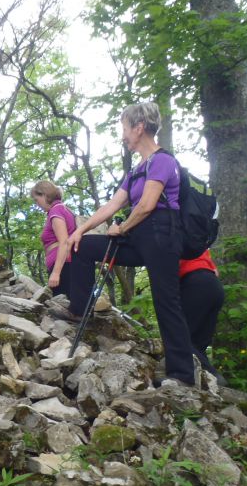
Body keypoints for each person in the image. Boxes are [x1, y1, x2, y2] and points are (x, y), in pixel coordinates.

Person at [66, 101, 196, 386]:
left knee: (166, 300)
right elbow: (113, 204)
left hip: (162, 234)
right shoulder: (137, 169)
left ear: (139, 128)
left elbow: (148, 204)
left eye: (125, 128)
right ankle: (78, 309)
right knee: (84, 248)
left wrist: (122, 228)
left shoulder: (162, 160)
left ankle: (182, 375)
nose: (123, 135)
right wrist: (81, 230)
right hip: (138, 235)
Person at [180, 249, 225, 384]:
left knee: (180, 336)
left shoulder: (171, 234)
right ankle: (207, 381)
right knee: (198, 345)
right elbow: (216, 271)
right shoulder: (198, 242)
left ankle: (212, 374)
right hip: (214, 285)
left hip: (194, 282)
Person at [31, 180, 76, 298]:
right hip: (63, 265)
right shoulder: (62, 209)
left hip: (63, 266)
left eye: (36, 200)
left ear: (45, 194)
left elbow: (64, 242)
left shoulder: (56, 210)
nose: (37, 204)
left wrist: (56, 273)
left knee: (62, 306)